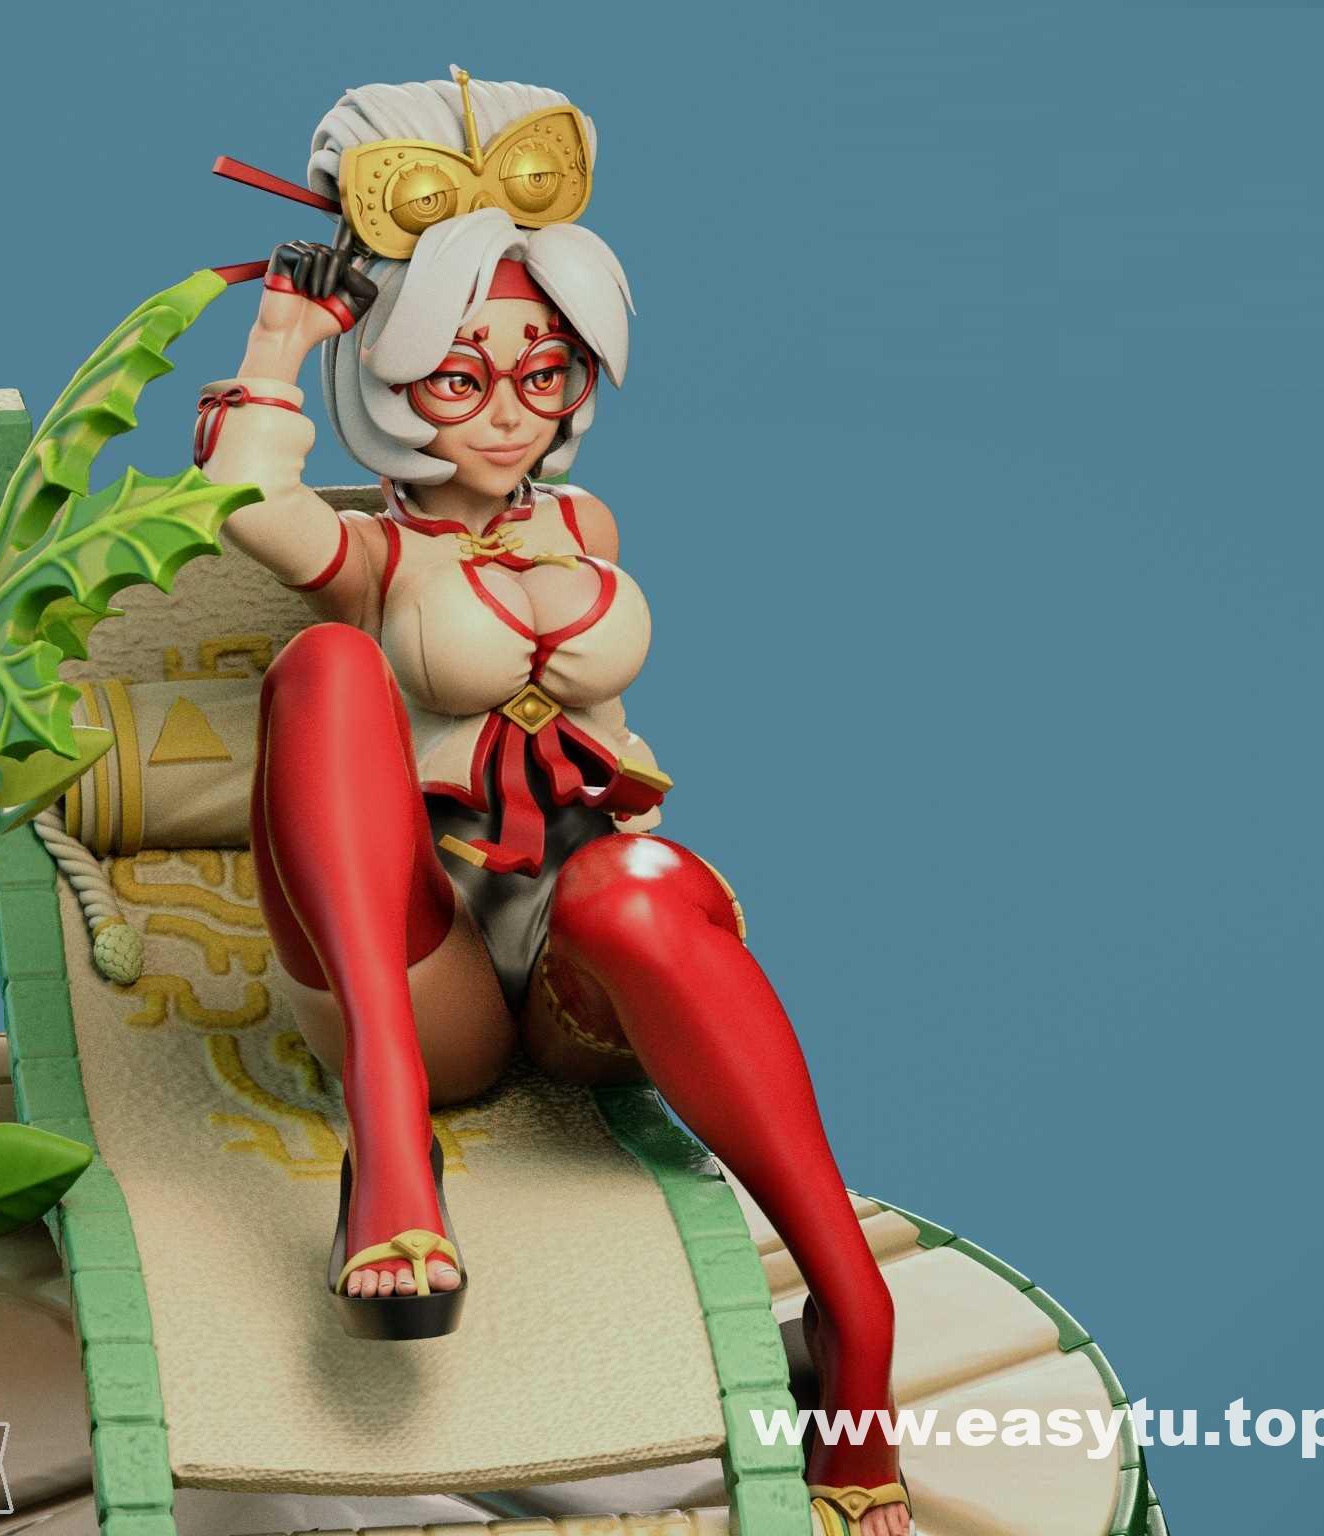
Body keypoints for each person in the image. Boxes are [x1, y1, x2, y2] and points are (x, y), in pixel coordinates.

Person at [194, 70, 910, 1536]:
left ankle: (858, 1323)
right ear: (390, 378)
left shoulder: (585, 521)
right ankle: (391, 1155)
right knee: (326, 670)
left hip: (583, 954)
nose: (509, 413)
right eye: (460, 377)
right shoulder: (379, 554)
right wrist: (278, 339)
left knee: (640, 885)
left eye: (546, 373)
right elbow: (249, 501)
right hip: (426, 963)